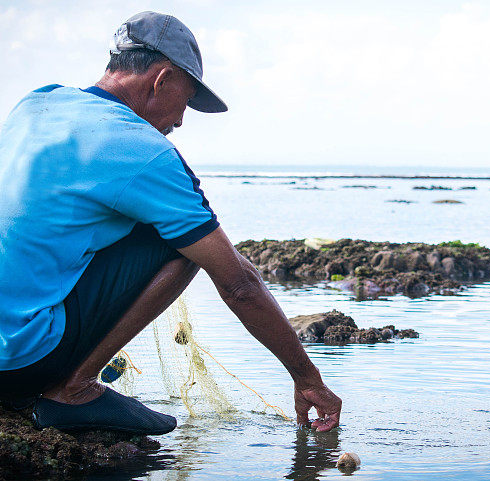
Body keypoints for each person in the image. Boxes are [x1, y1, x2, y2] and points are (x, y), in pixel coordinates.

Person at [0, 11, 341, 435]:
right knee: (184, 243)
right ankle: (75, 389)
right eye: (187, 100)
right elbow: (238, 282)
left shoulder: (36, 102)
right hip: (17, 364)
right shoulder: (142, 149)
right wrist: (307, 378)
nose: (180, 122)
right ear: (161, 80)